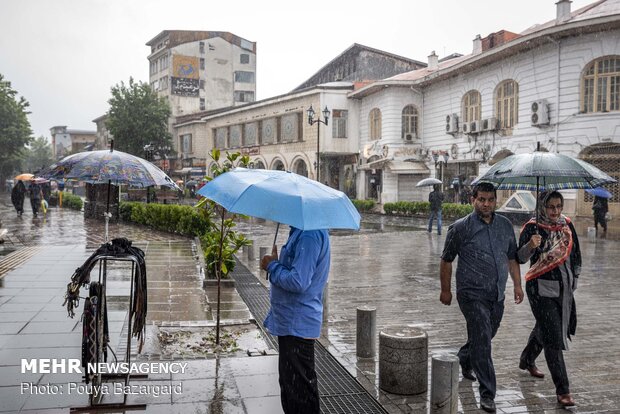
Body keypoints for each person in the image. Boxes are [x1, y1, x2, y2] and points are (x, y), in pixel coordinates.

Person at [439, 182, 524, 413]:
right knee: (484, 339)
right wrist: (445, 290)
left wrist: (518, 285)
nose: (486, 204)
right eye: (482, 200)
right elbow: (446, 260)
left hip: (496, 294)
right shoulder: (461, 228)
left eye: (490, 200)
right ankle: (488, 393)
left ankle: (465, 357)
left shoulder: (505, 226)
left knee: (486, 334)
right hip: (471, 294)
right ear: (472, 200)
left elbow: (512, 258)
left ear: (495, 200)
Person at [517, 191, 581, 407]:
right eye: (551, 207)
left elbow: (576, 255)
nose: (555, 211)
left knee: (545, 327)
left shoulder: (567, 226)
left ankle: (527, 359)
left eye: (558, 206)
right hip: (539, 289)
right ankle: (563, 390)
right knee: (553, 335)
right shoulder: (532, 227)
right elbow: (519, 257)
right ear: (542, 207)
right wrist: (531, 246)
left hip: (564, 288)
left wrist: (575, 280)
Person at [260, 226, 330, 414]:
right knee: (291, 387)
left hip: (297, 324)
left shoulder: (309, 234)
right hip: (290, 323)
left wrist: (272, 266)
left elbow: (299, 281)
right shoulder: (299, 231)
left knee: (299, 393)